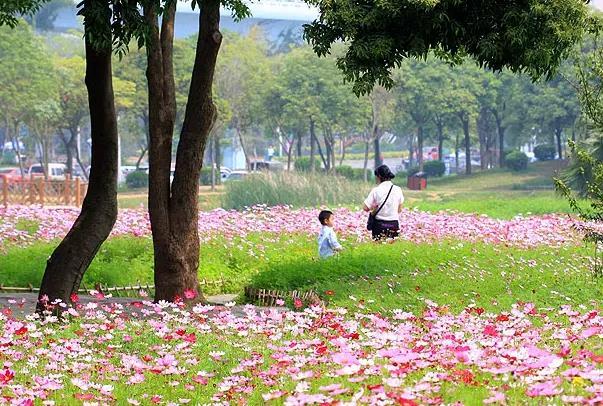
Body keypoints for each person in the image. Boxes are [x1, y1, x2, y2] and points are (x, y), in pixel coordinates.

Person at [363, 164, 404, 240]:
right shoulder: (398, 189)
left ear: (379, 176)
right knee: (392, 250)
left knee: (378, 249)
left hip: (379, 225)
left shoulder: (376, 190)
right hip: (394, 224)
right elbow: (399, 209)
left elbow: (365, 208)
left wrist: (374, 208)